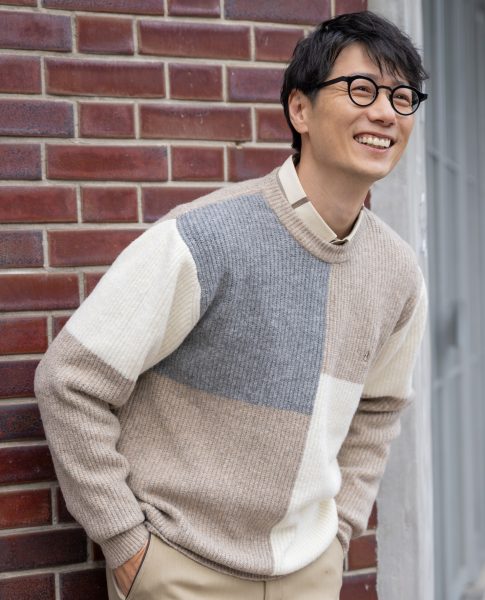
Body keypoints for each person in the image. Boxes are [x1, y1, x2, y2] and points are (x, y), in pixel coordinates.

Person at [35, 10, 429, 600]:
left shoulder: (398, 273)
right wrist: (127, 542)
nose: (385, 113)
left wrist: (340, 532)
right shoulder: (205, 238)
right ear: (300, 109)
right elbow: (70, 380)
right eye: (361, 89)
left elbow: (380, 408)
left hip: (309, 576)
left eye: (402, 98)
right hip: (180, 572)